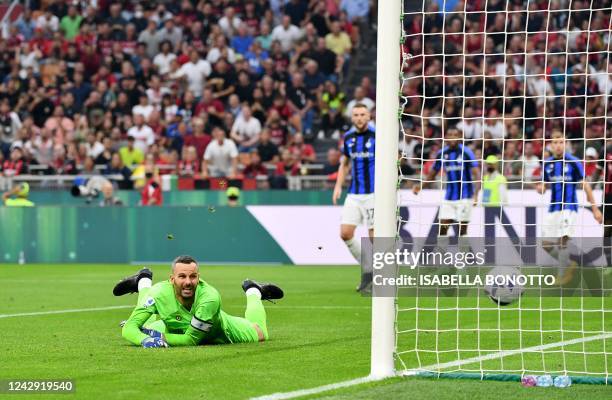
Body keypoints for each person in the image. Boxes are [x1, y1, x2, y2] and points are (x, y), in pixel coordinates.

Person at [113, 255, 284, 347]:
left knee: (261, 333)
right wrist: (145, 340)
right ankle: (143, 281)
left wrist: (157, 336)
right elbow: (129, 328)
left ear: (198, 278)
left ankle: (253, 290)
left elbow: (191, 340)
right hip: (175, 328)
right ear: (172, 279)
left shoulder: (209, 298)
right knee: (145, 325)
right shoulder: (159, 292)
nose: (188, 282)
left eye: (192, 276)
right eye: (182, 276)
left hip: (221, 333)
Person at [535, 131, 602, 285]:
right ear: (551, 145)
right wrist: (541, 188)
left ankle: (562, 274)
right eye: (555, 143)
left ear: (565, 144)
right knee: (545, 245)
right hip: (553, 208)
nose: (558, 146)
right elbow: (545, 185)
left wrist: (595, 208)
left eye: (561, 142)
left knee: (562, 239)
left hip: (569, 207)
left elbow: (585, 185)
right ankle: (571, 262)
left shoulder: (573, 161)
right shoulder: (548, 163)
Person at [332, 104, 375, 293]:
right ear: (352, 118)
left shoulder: (378, 136)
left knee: (376, 239)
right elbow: (345, 163)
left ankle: (378, 276)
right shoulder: (348, 138)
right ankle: (369, 269)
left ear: (369, 116)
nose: (359, 118)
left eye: (362, 114)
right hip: (354, 193)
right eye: (356, 115)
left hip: (375, 194)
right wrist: (337, 186)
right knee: (345, 233)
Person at [413, 128, 480, 248]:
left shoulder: (466, 152)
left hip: (465, 197)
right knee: (443, 228)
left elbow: (478, 174)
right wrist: (421, 186)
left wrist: (476, 195)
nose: (453, 137)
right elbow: (432, 174)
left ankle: (462, 264)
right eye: (450, 134)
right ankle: (442, 259)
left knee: (462, 230)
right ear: (446, 137)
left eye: (455, 134)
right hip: (449, 197)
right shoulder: (442, 153)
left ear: (460, 137)